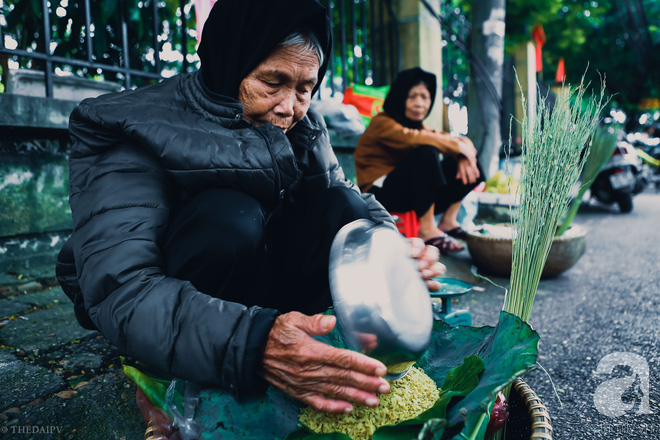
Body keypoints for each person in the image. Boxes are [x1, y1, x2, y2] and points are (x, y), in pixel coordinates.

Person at [55, 0, 445, 418]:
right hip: (175, 298)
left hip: (255, 287)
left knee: (343, 209)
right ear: (229, 60)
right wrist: (256, 344)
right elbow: (123, 288)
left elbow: (347, 197)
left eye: (304, 88)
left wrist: (393, 249)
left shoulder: (305, 125)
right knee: (229, 217)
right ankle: (168, 379)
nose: (289, 106)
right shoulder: (131, 125)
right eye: (271, 82)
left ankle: (299, 342)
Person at [354, 67, 484, 254]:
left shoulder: (419, 127)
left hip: (409, 191)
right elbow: (414, 138)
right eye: (412, 96)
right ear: (400, 98)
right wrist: (458, 146)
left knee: (470, 161)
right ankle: (427, 229)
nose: (419, 103)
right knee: (426, 153)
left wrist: (464, 154)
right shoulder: (382, 123)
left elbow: (448, 139)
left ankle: (448, 221)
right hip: (378, 194)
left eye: (425, 97)